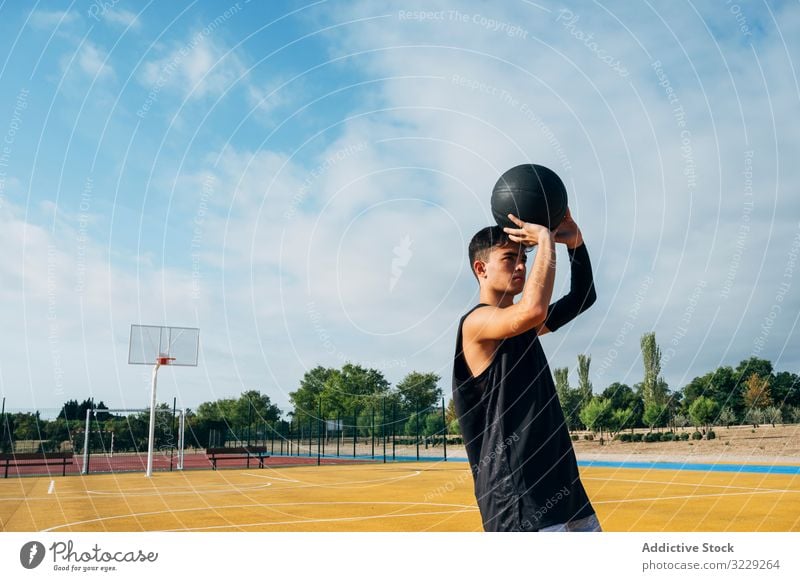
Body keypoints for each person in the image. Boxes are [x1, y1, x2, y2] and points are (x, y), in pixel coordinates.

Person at [452, 209, 601, 532]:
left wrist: (575, 244)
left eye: (524, 257)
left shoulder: (522, 329)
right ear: (481, 269)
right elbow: (533, 310)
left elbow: (582, 297)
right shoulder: (476, 325)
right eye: (509, 258)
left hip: (564, 490)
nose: (521, 265)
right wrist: (545, 238)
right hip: (518, 502)